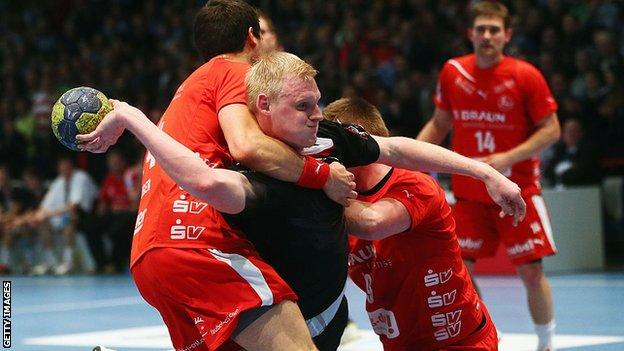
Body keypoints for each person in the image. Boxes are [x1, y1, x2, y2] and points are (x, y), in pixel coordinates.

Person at [81, 51, 525, 350]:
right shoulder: (258, 178)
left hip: (330, 312)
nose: (317, 114)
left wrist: (485, 172)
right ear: (264, 106)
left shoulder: (327, 137)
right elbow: (203, 180)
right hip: (282, 314)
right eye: (304, 106)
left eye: (317, 103)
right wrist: (132, 117)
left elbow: (396, 147)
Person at [79, 1, 358, 350]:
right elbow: (248, 146)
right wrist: (324, 176)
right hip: (198, 241)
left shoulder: (190, 88)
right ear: (252, 38)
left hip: (150, 254)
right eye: (267, 33)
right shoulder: (233, 70)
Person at [416, 2, 561, 350]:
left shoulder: (525, 75)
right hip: (469, 193)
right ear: (470, 33)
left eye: (494, 30)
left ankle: (547, 344)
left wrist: (507, 158)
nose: (487, 36)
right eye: (480, 29)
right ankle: (485, 335)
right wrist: (403, 158)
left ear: (507, 35)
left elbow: (552, 129)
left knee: (531, 272)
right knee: (460, 269)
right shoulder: (453, 72)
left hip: (517, 191)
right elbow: (439, 125)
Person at [324, 97, 498, 350]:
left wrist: (318, 182)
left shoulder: (416, 185)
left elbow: (372, 222)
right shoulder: (337, 195)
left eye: (330, 146)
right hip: (400, 342)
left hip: (460, 342)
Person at [30, 155, 99, 275]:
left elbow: (74, 206)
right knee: (43, 223)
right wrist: (38, 217)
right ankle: (50, 262)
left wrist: (49, 214)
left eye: (66, 167)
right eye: (61, 168)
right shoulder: (59, 181)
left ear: (71, 167)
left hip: (87, 215)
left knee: (70, 219)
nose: (64, 170)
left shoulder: (81, 177)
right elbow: (45, 206)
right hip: (63, 216)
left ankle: (68, 263)